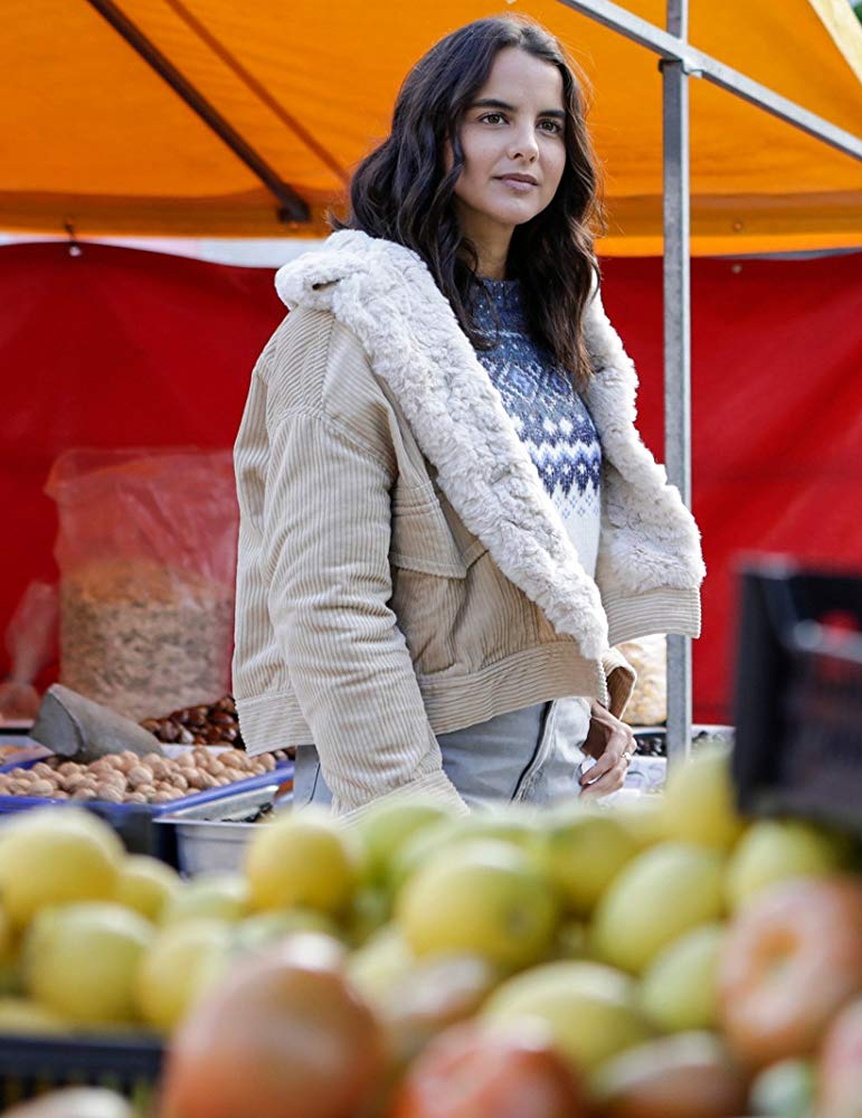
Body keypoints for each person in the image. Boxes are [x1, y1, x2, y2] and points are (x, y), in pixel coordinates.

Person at [231, 16, 704, 818]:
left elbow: (526, 550)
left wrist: (573, 699)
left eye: (549, 126)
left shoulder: (558, 322)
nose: (527, 146)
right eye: (494, 118)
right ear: (431, 134)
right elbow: (328, 604)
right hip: (396, 772)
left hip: (550, 771)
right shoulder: (342, 329)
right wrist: (414, 813)